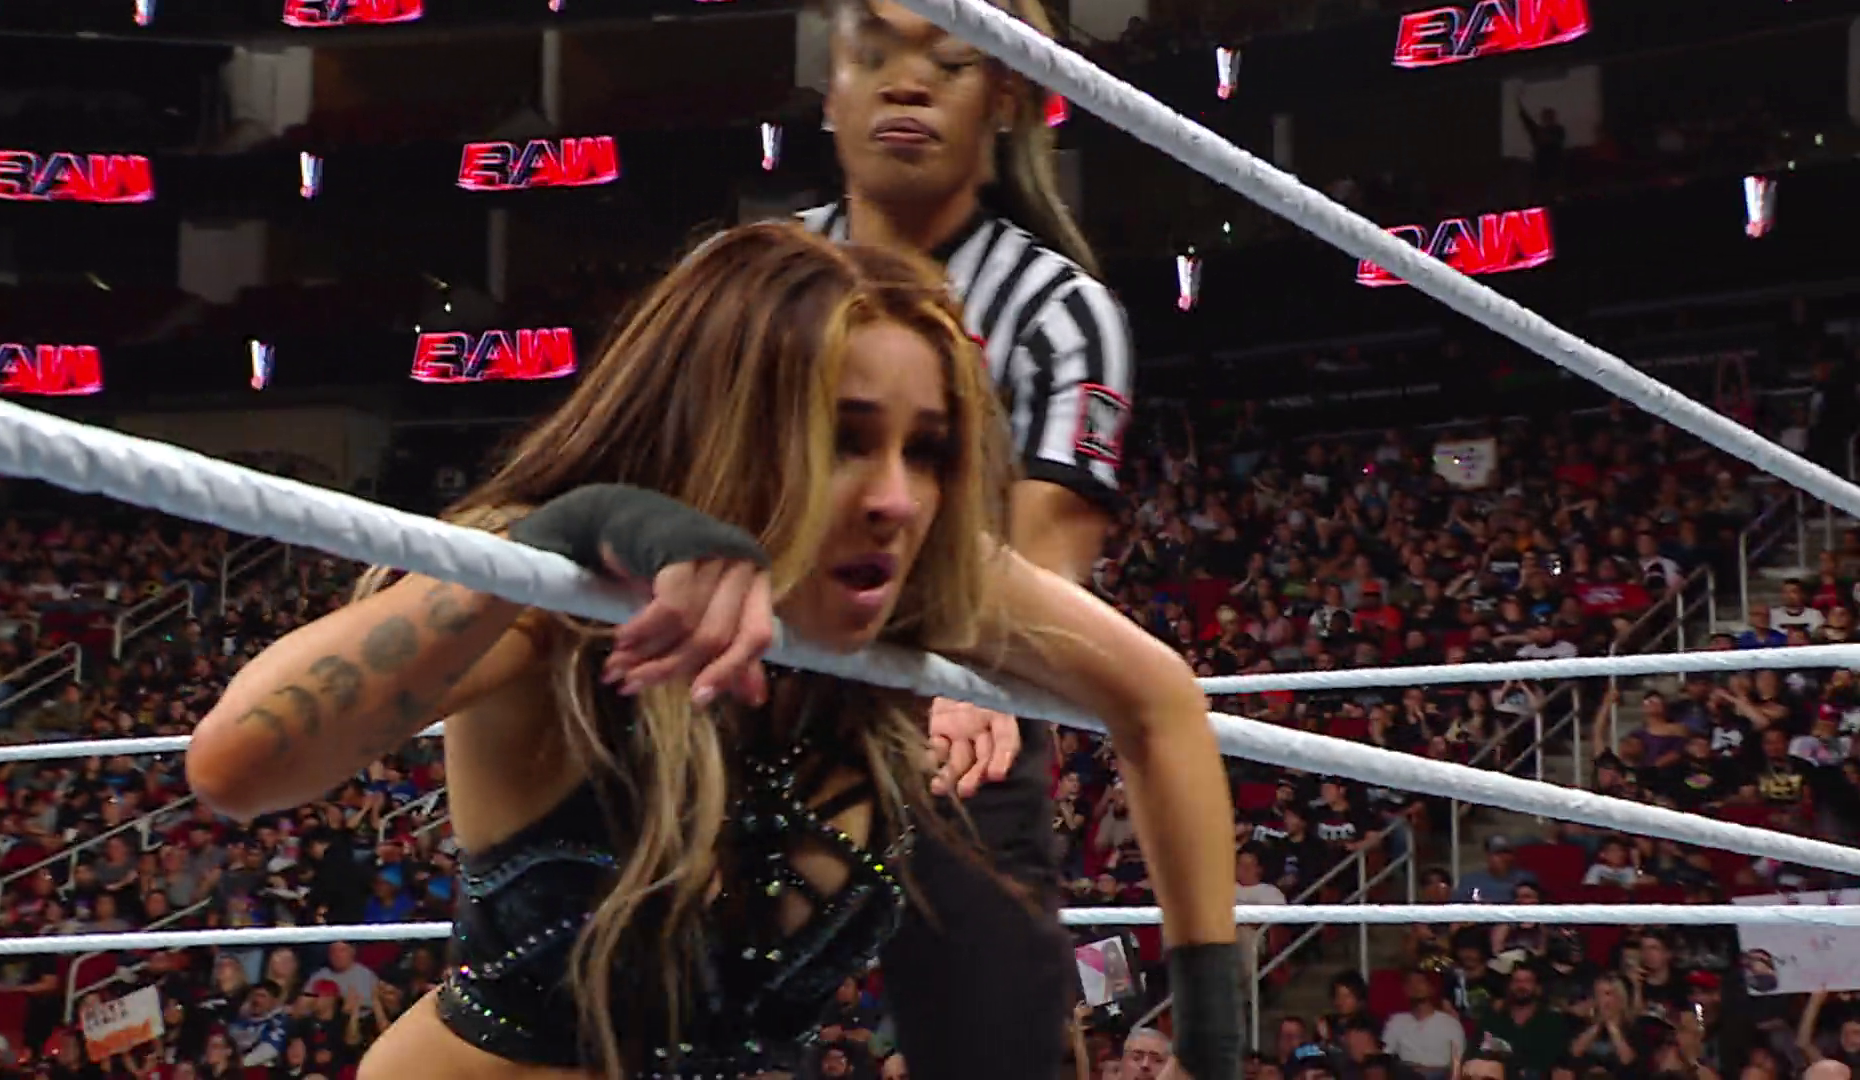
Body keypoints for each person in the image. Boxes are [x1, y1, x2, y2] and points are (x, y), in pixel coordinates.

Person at [185, 225, 1240, 1080]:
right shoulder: (562, 604)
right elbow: (237, 766)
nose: (896, 498)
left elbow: (1159, 702)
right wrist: (571, 530)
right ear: (728, 427)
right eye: (845, 437)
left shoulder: (920, 571)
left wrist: (1209, 1043)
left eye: (926, 450)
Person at [806, 0, 1140, 1074]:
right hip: (759, 674)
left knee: (998, 1026)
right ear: (829, 93)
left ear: (1003, 100)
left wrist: (982, 673)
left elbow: (1050, 543)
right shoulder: (751, 279)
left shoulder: (1058, 310)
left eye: (948, 63)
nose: (906, 83)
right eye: (875, 55)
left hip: (956, 689)